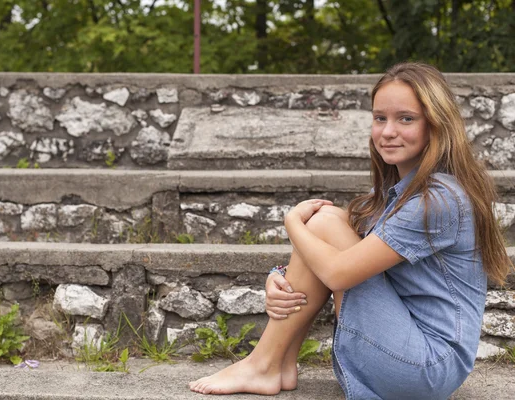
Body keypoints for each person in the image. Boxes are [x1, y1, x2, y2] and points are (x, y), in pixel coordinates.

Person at [188, 62, 512, 399]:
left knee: (325, 221)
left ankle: (263, 364)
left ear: (436, 124)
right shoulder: (401, 193)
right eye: (379, 118)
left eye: (406, 118)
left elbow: (339, 273)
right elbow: (333, 256)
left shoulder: (438, 200)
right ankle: (277, 363)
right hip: (414, 354)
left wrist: (291, 223)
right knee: (328, 221)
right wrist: (280, 275)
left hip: (425, 366)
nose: (387, 131)